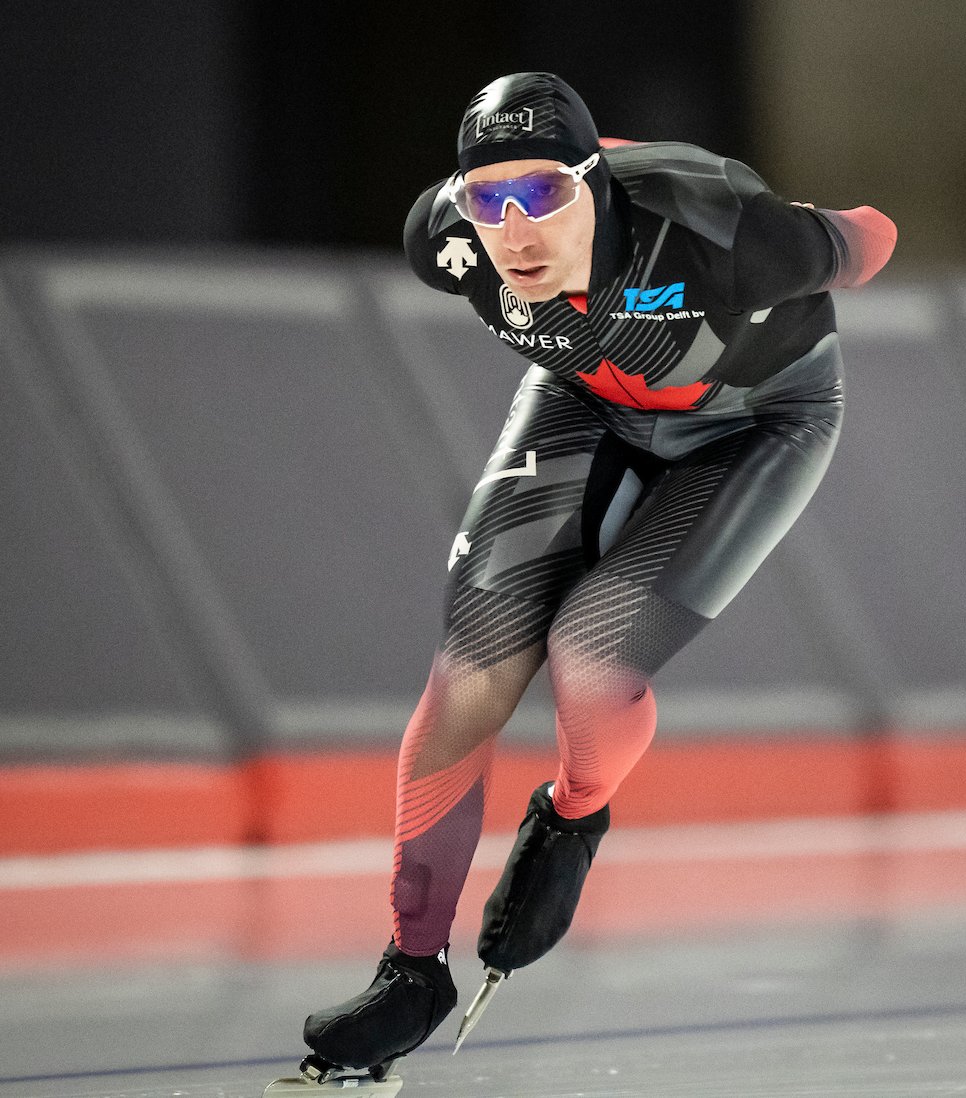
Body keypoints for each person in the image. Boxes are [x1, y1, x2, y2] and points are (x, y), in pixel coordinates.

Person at [298, 71, 896, 1084]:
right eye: (490, 198)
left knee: (589, 656)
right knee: (473, 663)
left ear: (596, 182)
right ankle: (410, 970)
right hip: (588, 400)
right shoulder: (442, 243)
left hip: (758, 418)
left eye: (543, 193)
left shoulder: (720, 227)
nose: (515, 230)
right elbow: (504, 215)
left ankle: (573, 814)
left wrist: (795, 222)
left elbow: (871, 237)